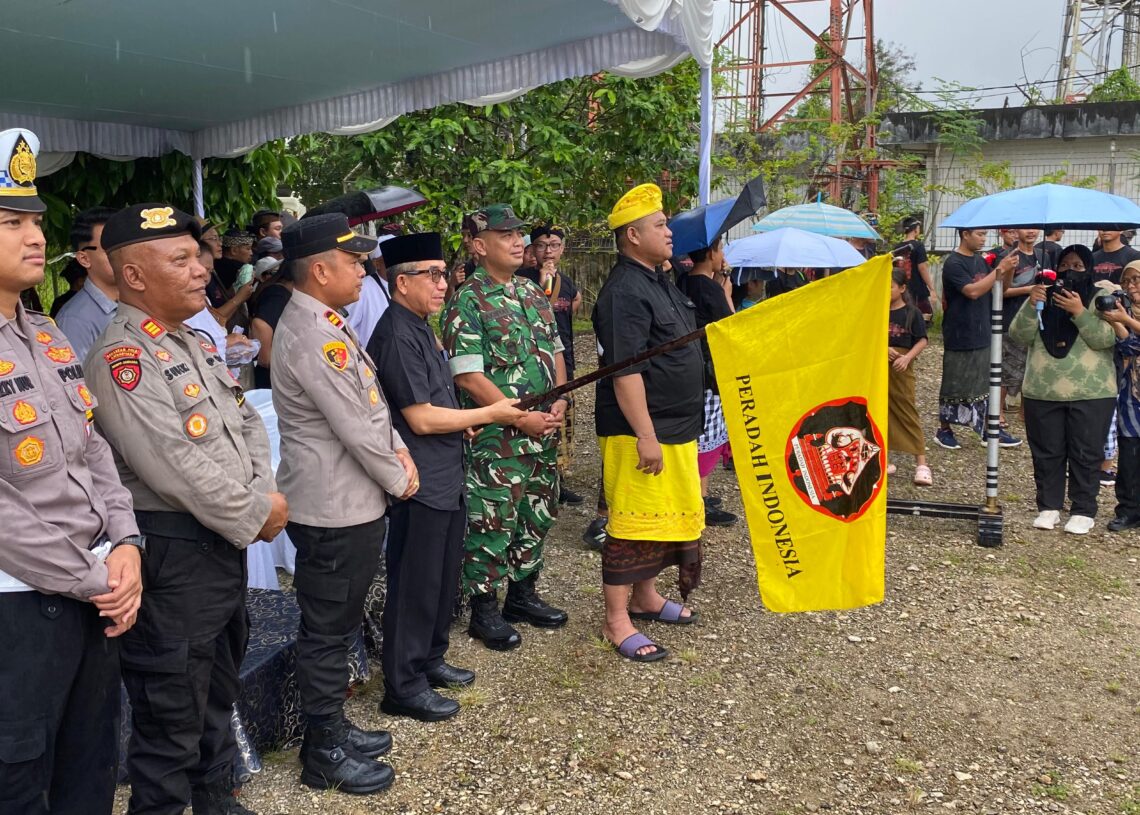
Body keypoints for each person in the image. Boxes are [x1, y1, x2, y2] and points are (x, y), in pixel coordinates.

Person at [86, 203, 286, 815]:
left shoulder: (186, 342)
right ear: (137, 277)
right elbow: (171, 466)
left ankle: (215, 799)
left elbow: (246, 418)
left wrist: (258, 495)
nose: (203, 269)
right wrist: (257, 514)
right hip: (172, 557)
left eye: (196, 255)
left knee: (216, 691)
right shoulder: (123, 357)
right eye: (181, 259)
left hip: (215, 550)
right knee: (170, 715)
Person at [0, 127, 142, 815]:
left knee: (90, 769)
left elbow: (95, 452)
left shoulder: (45, 332)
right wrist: (96, 578)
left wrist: (126, 546)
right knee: (21, 779)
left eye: (36, 221)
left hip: (93, 592)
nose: (35, 236)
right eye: (12, 222)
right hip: (21, 607)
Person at [271, 213, 414, 794]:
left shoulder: (326, 321)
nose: (362, 270)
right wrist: (401, 478)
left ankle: (330, 726)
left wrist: (400, 452)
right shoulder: (311, 332)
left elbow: (372, 405)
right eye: (353, 263)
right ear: (320, 269)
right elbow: (354, 426)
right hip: (331, 508)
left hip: (350, 501)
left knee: (339, 623)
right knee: (326, 630)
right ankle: (321, 749)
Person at [368, 232, 524, 721]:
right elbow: (420, 418)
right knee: (414, 583)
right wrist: (492, 412)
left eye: (442, 273)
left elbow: (443, 400)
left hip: (446, 472)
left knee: (439, 578)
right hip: (420, 479)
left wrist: (469, 421)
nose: (442, 284)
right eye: (431, 275)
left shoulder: (420, 325)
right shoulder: (395, 332)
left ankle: (431, 658)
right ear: (401, 282)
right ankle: (404, 684)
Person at [441, 203, 568, 651]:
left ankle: (522, 594)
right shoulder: (467, 300)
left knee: (537, 511)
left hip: (541, 431)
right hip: (498, 439)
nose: (518, 242)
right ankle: (484, 609)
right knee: (493, 517)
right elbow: (468, 375)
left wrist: (560, 401)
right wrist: (520, 417)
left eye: (519, 234)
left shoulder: (532, 294)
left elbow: (556, 351)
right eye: (505, 236)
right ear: (479, 246)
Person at [592, 183, 705, 663]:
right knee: (633, 523)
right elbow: (626, 371)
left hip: (673, 427)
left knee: (662, 520)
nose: (669, 231)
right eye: (659, 224)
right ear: (633, 236)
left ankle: (646, 596)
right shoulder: (624, 292)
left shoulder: (659, 280)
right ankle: (616, 619)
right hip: (639, 429)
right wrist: (645, 435)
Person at [1009, 244, 1117, 535]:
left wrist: (1080, 312)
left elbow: (1106, 339)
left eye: (1079, 266)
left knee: (1086, 452)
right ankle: (1049, 506)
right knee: (1046, 451)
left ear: (1089, 269)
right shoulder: (1043, 294)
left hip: (1092, 391)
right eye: (1065, 265)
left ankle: (1083, 509)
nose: (1070, 271)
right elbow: (1018, 335)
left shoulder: (1100, 298)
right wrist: (1032, 305)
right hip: (1042, 391)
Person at [934, 228, 1020, 450]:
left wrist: (1008, 269)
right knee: (955, 380)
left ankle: (986, 428)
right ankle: (944, 428)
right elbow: (972, 291)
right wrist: (998, 270)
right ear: (965, 234)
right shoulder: (953, 262)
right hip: (960, 331)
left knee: (985, 380)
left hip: (983, 327)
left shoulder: (981, 262)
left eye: (984, 235)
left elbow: (1001, 287)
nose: (983, 239)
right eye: (979, 234)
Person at [518, 225, 584, 505]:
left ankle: (558, 479)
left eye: (554, 245)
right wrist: (545, 282)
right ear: (532, 249)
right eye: (542, 245)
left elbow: (573, 308)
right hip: (535, 364)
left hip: (564, 360)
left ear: (562, 248)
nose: (548, 251)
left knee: (562, 422)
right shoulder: (523, 280)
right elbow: (537, 314)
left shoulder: (567, 281)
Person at [677, 236, 737, 526]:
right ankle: (698, 500)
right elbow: (731, 327)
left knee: (694, 435)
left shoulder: (682, 281)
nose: (723, 253)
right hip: (710, 372)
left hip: (689, 371)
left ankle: (696, 494)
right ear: (712, 252)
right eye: (721, 248)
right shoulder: (710, 289)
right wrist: (726, 291)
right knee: (707, 438)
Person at [1101, 259, 1140, 531]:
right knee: (1130, 455)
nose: (1132, 285)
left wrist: (1124, 320)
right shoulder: (1126, 309)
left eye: (1137, 279)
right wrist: (1116, 321)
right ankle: (1128, 509)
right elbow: (1128, 347)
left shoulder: (1128, 314)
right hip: (1132, 392)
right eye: (1127, 281)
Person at [56, 206, 120, 359]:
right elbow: (78, 380)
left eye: (125, 246)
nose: (123, 254)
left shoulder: (143, 302)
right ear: (84, 259)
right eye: (110, 249)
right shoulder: (74, 320)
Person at [887, 267, 932, 485]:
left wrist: (907, 358)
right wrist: (883, 348)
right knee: (878, 409)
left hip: (902, 366)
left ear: (902, 288)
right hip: (880, 364)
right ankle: (883, 457)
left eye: (891, 286)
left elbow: (922, 339)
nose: (887, 291)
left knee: (907, 409)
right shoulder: (876, 311)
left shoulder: (912, 313)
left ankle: (921, 463)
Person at [998, 228, 1043, 420]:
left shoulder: (1042, 255)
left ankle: (1025, 412)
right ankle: (997, 411)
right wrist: (1029, 289)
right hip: (1011, 317)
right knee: (1006, 368)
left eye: (1035, 228)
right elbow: (1001, 291)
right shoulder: (1008, 256)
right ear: (1016, 231)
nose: (1031, 232)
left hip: (1036, 317)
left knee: (1032, 365)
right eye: (1027, 228)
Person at [248, 261, 293, 389]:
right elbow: (260, 323)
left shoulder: (279, 291)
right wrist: (266, 358)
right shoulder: (277, 295)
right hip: (270, 377)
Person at [345, 236, 394, 348]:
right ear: (376, 264)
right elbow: (346, 330)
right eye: (390, 256)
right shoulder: (362, 288)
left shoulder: (405, 285)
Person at [893, 217, 934, 322]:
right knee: (923, 316)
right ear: (915, 229)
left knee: (903, 316)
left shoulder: (897, 248)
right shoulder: (918, 246)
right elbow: (922, 268)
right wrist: (931, 287)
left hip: (901, 287)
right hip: (917, 287)